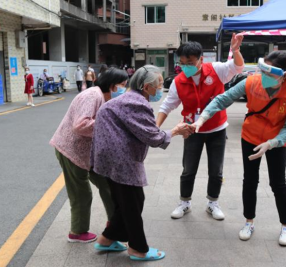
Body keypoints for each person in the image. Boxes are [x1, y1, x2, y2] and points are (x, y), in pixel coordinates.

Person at [193, 51, 286, 246]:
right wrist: (202, 118)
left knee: (278, 184)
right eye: (264, 72)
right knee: (250, 181)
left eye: (270, 75)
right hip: (251, 137)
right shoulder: (251, 82)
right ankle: (248, 222)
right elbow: (222, 99)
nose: (265, 78)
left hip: (276, 141)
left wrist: (272, 143)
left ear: (284, 74)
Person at [92, 65, 193, 261]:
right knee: (133, 203)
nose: (161, 89)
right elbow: (153, 137)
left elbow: (143, 130)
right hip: (121, 160)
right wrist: (176, 130)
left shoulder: (125, 99)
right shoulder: (137, 103)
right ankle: (137, 249)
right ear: (146, 87)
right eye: (160, 85)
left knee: (125, 202)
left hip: (108, 159)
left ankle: (107, 239)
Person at [156, 34, 244, 220]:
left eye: (190, 62)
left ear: (201, 60)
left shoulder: (216, 70)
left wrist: (235, 50)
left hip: (217, 129)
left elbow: (238, 67)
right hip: (191, 130)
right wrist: (154, 130)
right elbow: (166, 106)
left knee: (216, 170)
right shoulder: (178, 81)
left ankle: (212, 203)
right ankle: (184, 202)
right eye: (182, 63)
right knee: (188, 169)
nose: (185, 66)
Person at [50, 68, 129, 244]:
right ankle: (77, 232)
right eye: (122, 85)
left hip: (90, 152)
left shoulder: (104, 97)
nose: (124, 89)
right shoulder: (92, 95)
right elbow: (81, 125)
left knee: (108, 184)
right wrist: (111, 127)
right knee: (81, 193)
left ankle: (114, 225)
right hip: (71, 150)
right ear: (111, 85)